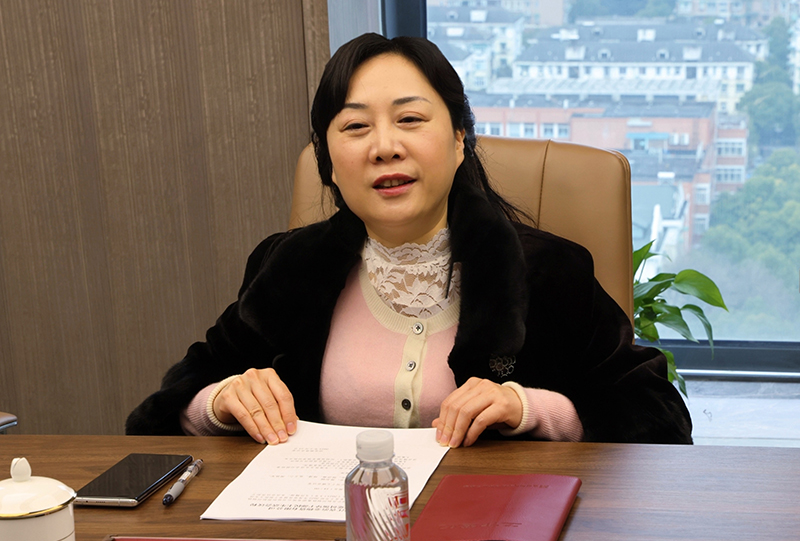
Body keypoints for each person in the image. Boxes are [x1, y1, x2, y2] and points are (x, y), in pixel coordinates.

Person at [126, 33, 692, 446]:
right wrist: (218, 402)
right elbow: (160, 412)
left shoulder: (545, 271)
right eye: (355, 127)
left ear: (459, 139)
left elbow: (658, 417)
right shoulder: (288, 267)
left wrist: (528, 409)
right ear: (329, 163)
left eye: (411, 120)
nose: (384, 147)